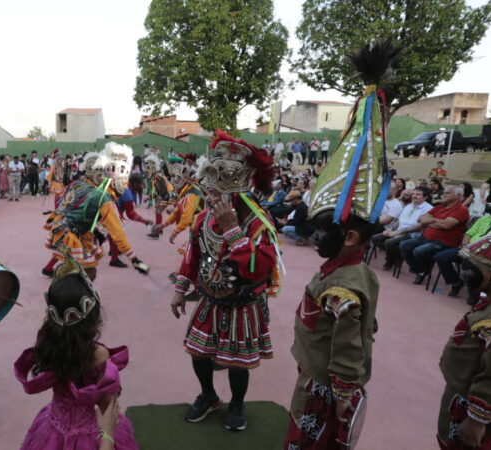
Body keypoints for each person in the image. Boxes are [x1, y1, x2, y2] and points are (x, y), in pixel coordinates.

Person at [283, 46, 391, 445]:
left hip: (325, 390)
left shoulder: (344, 285)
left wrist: (344, 394)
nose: (314, 236)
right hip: (319, 379)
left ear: (350, 237)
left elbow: (346, 348)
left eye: (323, 229)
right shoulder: (350, 271)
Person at [170, 130, 282, 431]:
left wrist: (233, 230)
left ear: (237, 191)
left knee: (237, 363)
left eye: (218, 193)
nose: (211, 197)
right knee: (198, 353)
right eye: (211, 191)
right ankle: (208, 396)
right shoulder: (203, 218)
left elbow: (259, 270)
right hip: (209, 299)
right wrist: (180, 290)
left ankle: (236, 403)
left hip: (242, 304)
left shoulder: (259, 223)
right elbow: (192, 254)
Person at [15, 252, 138, 449]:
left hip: (52, 429)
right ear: (93, 318)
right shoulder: (99, 355)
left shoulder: (47, 346)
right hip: (94, 435)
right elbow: (109, 405)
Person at [435, 222, 491, 449]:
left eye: (475, 268)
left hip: (469, 409)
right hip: (464, 398)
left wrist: (477, 421)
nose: (467, 273)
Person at [42, 146, 148, 280]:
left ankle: (56, 276)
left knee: (79, 263)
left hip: (63, 227)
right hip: (73, 232)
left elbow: (61, 199)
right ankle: (67, 293)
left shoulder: (78, 182)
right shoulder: (104, 198)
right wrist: (134, 259)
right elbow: (118, 233)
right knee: (87, 272)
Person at [435, 195, 491, 301]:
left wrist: (470, 254)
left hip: (487, 256)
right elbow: (468, 235)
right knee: (441, 257)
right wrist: (465, 249)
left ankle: (474, 292)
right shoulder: (485, 218)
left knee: (470, 268)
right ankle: (456, 282)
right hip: (467, 250)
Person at [400, 186, 470, 285]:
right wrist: (436, 222)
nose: (444, 194)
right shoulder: (439, 207)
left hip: (445, 242)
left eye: (448, 193)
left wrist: (431, 221)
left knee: (419, 251)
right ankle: (421, 271)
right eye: (444, 192)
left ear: (458, 196)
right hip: (426, 238)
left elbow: (446, 225)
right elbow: (420, 219)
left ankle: (425, 271)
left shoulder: (461, 210)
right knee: (404, 245)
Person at [371, 187, 433, 271]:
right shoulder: (409, 206)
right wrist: (390, 229)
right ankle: (397, 255)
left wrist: (398, 232)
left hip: (411, 234)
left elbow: (419, 227)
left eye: (418, 194)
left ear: (425, 197)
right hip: (399, 231)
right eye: (414, 194)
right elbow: (399, 221)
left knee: (389, 242)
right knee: (376, 238)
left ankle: (389, 262)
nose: (414, 196)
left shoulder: (429, 209)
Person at [108, 173, 152, 268]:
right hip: (112, 210)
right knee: (117, 234)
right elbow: (130, 214)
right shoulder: (128, 194)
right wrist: (144, 220)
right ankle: (114, 260)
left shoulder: (125, 184)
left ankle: (112, 251)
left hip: (110, 207)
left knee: (111, 232)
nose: (141, 186)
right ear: (135, 183)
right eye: (140, 184)